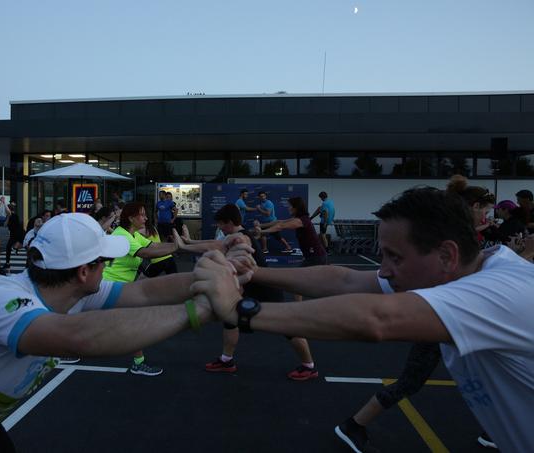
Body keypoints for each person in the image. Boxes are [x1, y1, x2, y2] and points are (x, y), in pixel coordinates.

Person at [0, 213, 230, 451]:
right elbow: (78, 338)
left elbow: (146, 291)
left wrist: (216, 275)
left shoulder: (76, 293)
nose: (110, 266)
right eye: (105, 260)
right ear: (84, 271)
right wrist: (199, 310)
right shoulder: (2, 299)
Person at [199, 186, 534, 453]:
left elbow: (376, 320)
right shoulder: (467, 272)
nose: (385, 270)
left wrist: (240, 311)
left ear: (447, 255)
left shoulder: (498, 292)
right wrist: (256, 273)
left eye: (395, 257)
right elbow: (345, 281)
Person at [334, 175, 497, 452]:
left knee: (494, 370)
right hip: (440, 315)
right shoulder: (454, 237)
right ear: (473, 206)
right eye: (484, 209)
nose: (486, 215)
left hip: (458, 315)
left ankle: (494, 429)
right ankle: (353, 424)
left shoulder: (463, 237)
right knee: (410, 381)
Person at [202, 204, 317, 380]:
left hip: (265, 288)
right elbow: (215, 246)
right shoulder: (237, 235)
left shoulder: (241, 237)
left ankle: (309, 366)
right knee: (230, 319)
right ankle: (226, 360)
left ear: (230, 222)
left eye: (221, 224)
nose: (219, 227)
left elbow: (224, 247)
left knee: (288, 325)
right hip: (249, 286)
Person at [102, 202, 181, 376]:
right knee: (133, 324)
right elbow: (145, 254)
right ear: (131, 218)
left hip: (121, 286)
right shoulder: (123, 236)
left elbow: (153, 246)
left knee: (119, 324)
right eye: (142, 215)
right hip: (111, 286)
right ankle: (138, 363)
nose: (146, 218)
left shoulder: (134, 235)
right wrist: (176, 247)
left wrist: (178, 246)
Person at [4, 202, 25, 272]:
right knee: (8, 248)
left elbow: (19, 227)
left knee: (24, 245)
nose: (5, 211)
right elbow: (5, 224)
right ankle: (7, 263)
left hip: (18, 233)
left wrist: (4, 203)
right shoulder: (9, 216)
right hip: (14, 234)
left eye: (6, 209)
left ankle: (15, 248)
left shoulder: (14, 215)